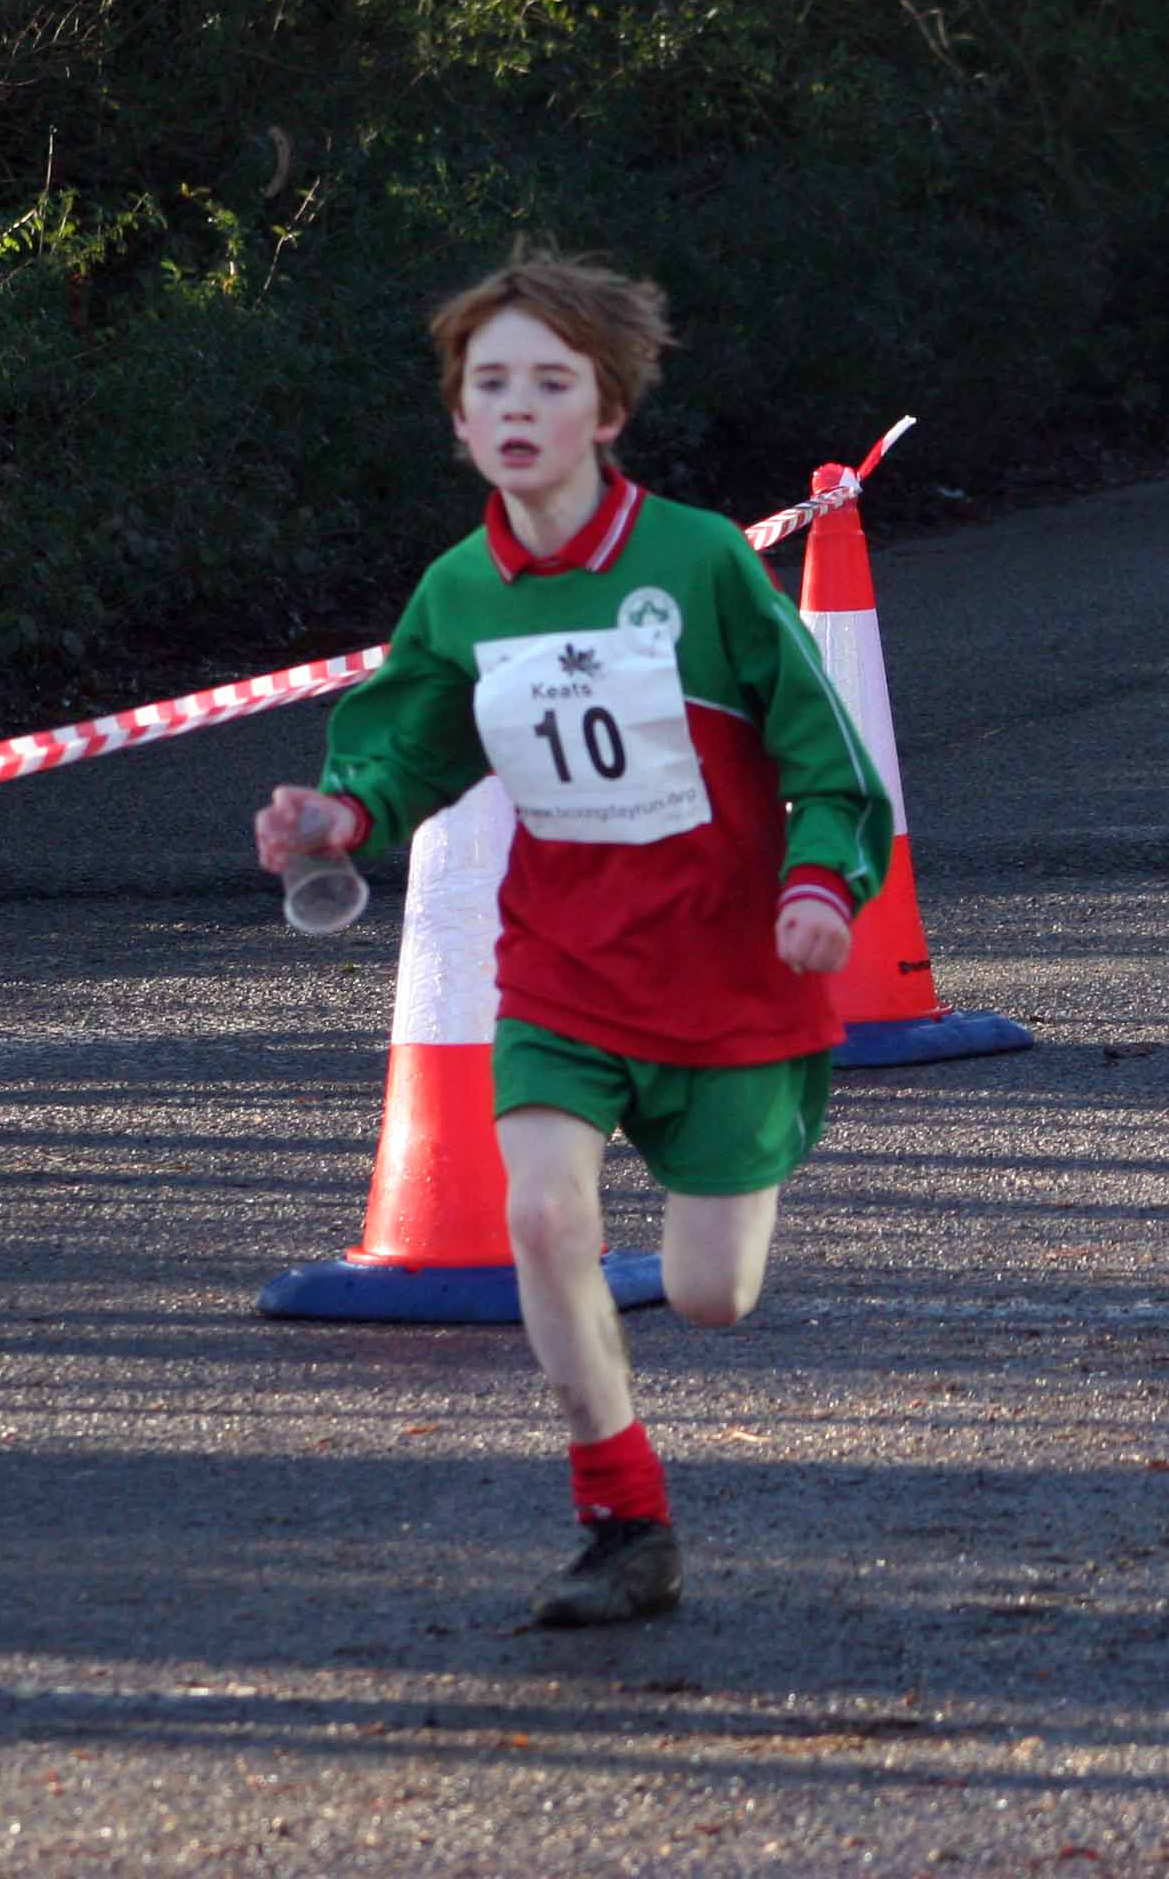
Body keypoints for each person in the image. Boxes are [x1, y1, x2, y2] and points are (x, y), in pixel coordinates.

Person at [250, 257, 893, 1629]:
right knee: (541, 1216)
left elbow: (823, 750)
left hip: (732, 968)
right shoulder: (459, 593)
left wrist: (822, 883)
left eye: (552, 382)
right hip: (560, 964)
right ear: (461, 422)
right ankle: (623, 1520)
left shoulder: (702, 559)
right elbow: (405, 739)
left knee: (713, 1297)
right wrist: (337, 811)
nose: (519, 407)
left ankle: (657, 1412)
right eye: (492, 385)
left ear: (608, 411)